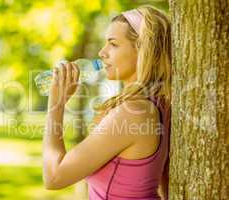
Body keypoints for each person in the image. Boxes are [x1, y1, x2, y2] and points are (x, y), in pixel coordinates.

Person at [42, 4, 171, 200]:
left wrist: (56, 105)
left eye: (113, 44)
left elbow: (54, 176)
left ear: (143, 50)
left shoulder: (133, 112)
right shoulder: (160, 103)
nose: (102, 52)